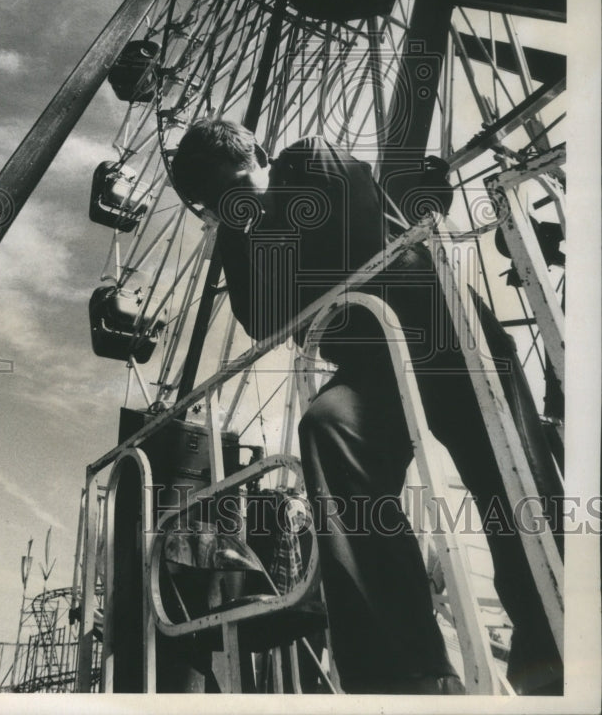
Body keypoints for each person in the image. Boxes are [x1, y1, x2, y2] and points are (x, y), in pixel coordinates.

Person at [171, 117, 563, 696]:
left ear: (258, 152)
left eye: (233, 191)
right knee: (328, 426)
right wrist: (237, 226)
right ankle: (403, 669)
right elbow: (261, 320)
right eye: (217, 207)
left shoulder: (310, 159)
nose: (233, 210)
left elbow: (347, 243)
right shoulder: (247, 227)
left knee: (508, 482)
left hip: (443, 334)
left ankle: (553, 646)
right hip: (372, 360)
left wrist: (269, 252)